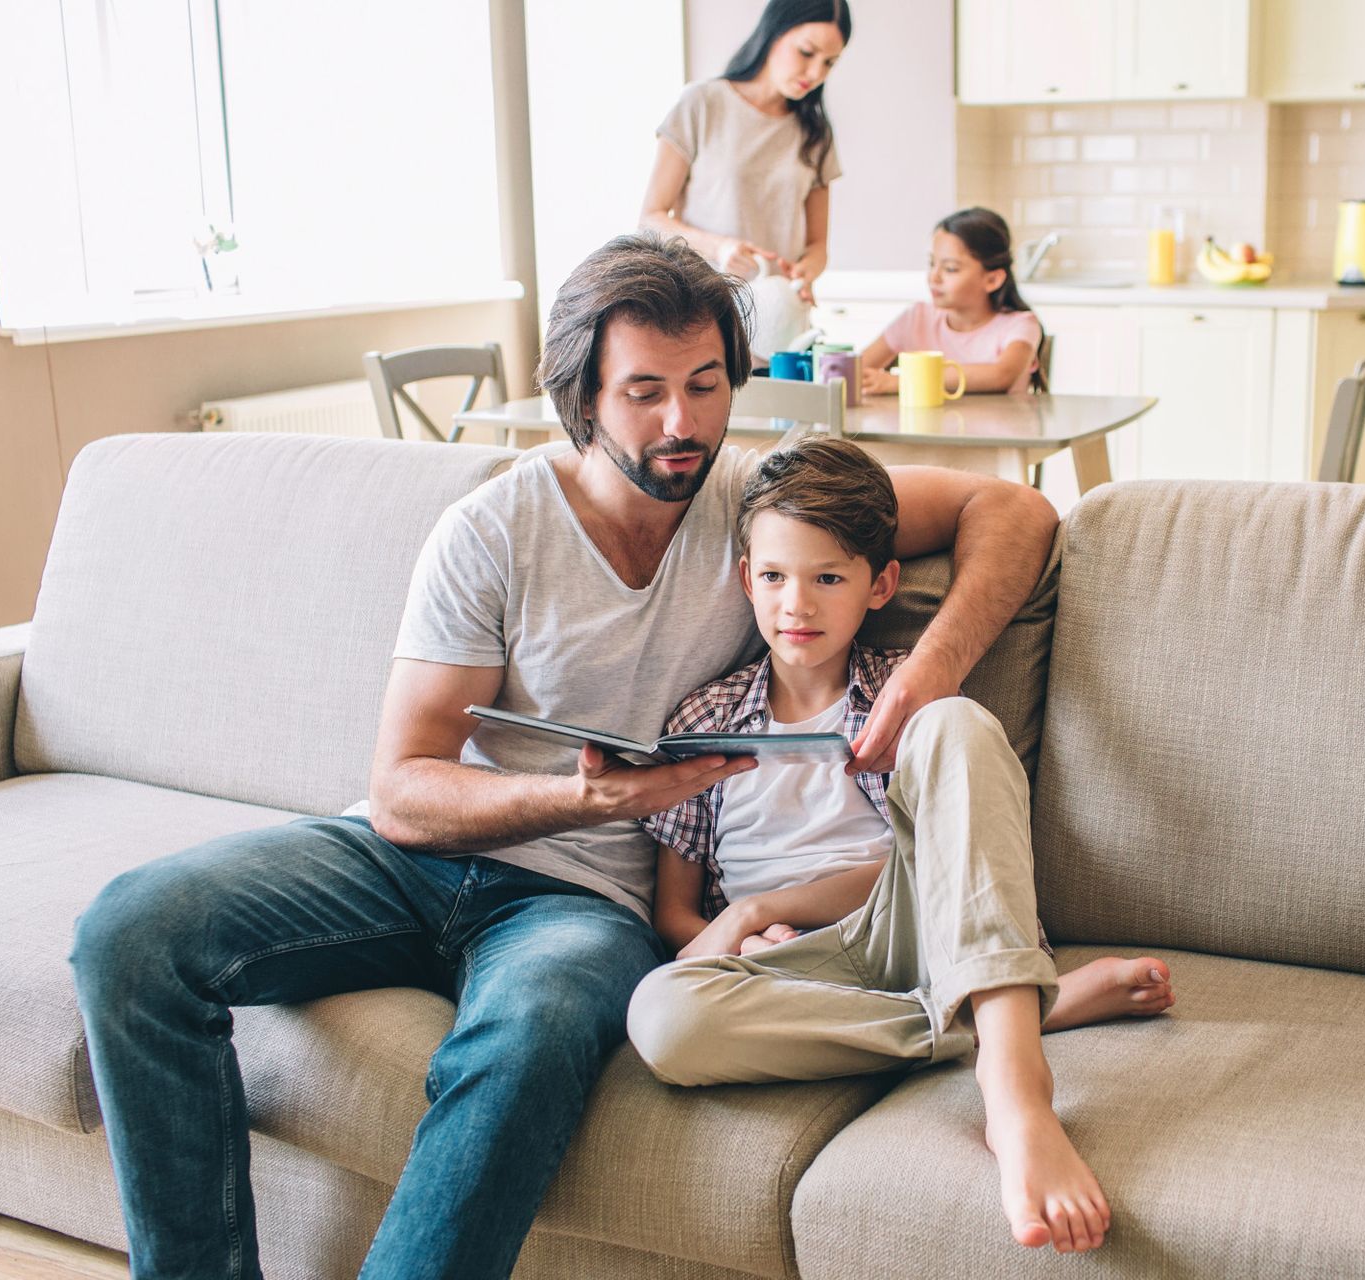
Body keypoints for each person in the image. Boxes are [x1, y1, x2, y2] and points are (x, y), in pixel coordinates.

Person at [67, 231, 1058, 1280]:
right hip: (407, 859)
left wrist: (925, 673)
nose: (683, 423)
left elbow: (1015, 506)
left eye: (706, 384)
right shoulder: (490, 532)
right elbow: (401, 787)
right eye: (644, 391)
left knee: (532, 1030)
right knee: (130, 930)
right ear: (580, 395)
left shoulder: (758, 512)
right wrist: (578, 796)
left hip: (580, 910)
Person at [627, 436, 1174, 1255]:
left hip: (909, 930)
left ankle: (1015, 1093)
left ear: (880, 585)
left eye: (828, 579)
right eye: (774, 577)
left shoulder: (900, 692)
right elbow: (676, 912)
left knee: (956, 720)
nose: (796, 605)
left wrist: (769, 904)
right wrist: (745, 930)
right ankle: (1011, 1013)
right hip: (789, 973)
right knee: (660, 1019)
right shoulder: (702, 721)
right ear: (747, 579)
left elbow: (943, 861)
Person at [641, 0, 851, 302]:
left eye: (829, 62)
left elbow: (818, 246)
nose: (816, 72)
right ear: (773, 32)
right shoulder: (702, 104)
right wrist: (719, 248)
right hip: (703, 309)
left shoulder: (815, 133)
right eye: (806, 52)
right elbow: (650, 219)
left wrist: (807, 270)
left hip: (781, 317)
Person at [861, 206, 1043, 399]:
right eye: (932, 264)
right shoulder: (917, 318)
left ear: (992, 280)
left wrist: (904, 381)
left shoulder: (1020, 325)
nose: (934, 277)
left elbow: (1000, 375)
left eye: (950, 269)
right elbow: (856, 370)